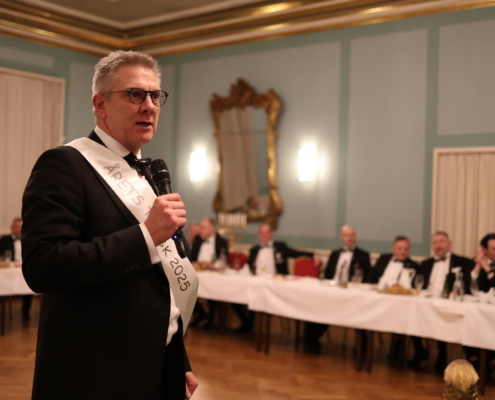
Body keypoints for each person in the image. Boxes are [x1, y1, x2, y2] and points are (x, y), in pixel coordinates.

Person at [22, 50, 198, 400]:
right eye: (135, 94)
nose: (149, 106)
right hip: (94, 372)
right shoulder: (64, 164)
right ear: (100, 104)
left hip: (156, 362)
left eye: (155, 96)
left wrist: (176, 357)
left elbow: (162, 282)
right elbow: (43, 266)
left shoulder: (147, 173)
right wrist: (146, 236)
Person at [409, 232, 473, 372]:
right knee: (412, 313)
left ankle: (442, 353)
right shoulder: (425, 263)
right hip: (427, 303)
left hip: (448, 304)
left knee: (444, 317)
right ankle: (419, 350)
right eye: (435, 242)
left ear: (449, 243)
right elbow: (417, 284)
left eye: (442, 241)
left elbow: (466, 285)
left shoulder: (462, 262)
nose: (439, 245)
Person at [303, 225, 371, 353]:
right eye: (346, 235)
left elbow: (366, 278)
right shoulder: (335, 254)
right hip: (332, 291)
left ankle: (362, 346)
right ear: (341, 237)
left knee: (360, 309)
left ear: (355, 237)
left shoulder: (363, 255)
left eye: (352, 235)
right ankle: (310, 339)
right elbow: (328, 274)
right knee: (316, 305)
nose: (349, 238)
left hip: (352, 293)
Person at [190, 217, 228, 329]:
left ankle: (211, 320)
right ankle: (202, 314)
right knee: (188, 289)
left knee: (214, 289)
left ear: (212, 229)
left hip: (214, 276)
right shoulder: (197, 240)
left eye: (203, 228)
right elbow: (191, 258)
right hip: (197, 275)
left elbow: (224, 261)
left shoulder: (222, 242)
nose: (200, 230)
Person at [248, 223, 320, 275]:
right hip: (257, 282)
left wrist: (312, 254)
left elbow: (296, 253)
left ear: (271, 233)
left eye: (266, 232)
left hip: (277, 282)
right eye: (262, 233)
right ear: (259, 234)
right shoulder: (254, 250)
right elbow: (248, 268)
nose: (264, 235)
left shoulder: (281, 247)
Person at [0, 218, 33, 321]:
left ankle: (26, 311)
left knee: (28, 286)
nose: (19, 229)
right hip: (10, 267)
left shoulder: (29, 240)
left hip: (25, 267)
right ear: (11, 228)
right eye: (17, 226)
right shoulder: (4, 240)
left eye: (21, 227)